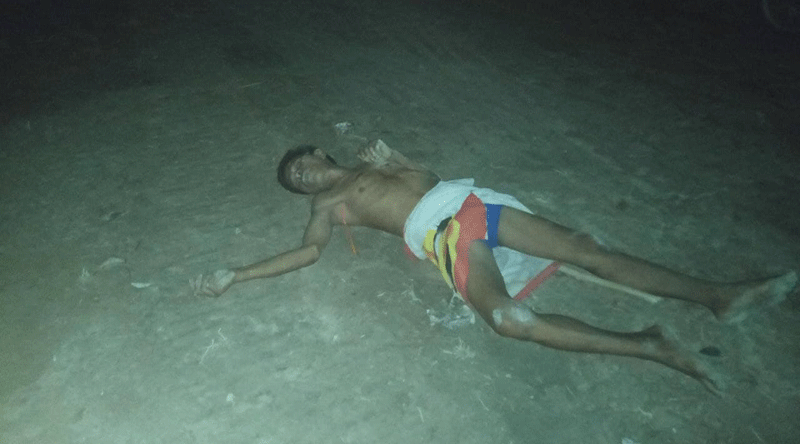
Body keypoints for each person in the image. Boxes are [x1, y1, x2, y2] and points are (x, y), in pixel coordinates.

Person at [193, 139, 797, 393]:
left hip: (470, 205)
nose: (301, 176)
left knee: (588, 250)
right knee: (508, 321)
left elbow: (430, 178)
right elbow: (309, 252)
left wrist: (400, 158)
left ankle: (719, 295)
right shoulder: (330, 206)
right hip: (445, 237)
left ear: (317, 151)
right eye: (295, 182)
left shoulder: (373, 159)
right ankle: (651, 344)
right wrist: (236, 274)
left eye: (299, 165)